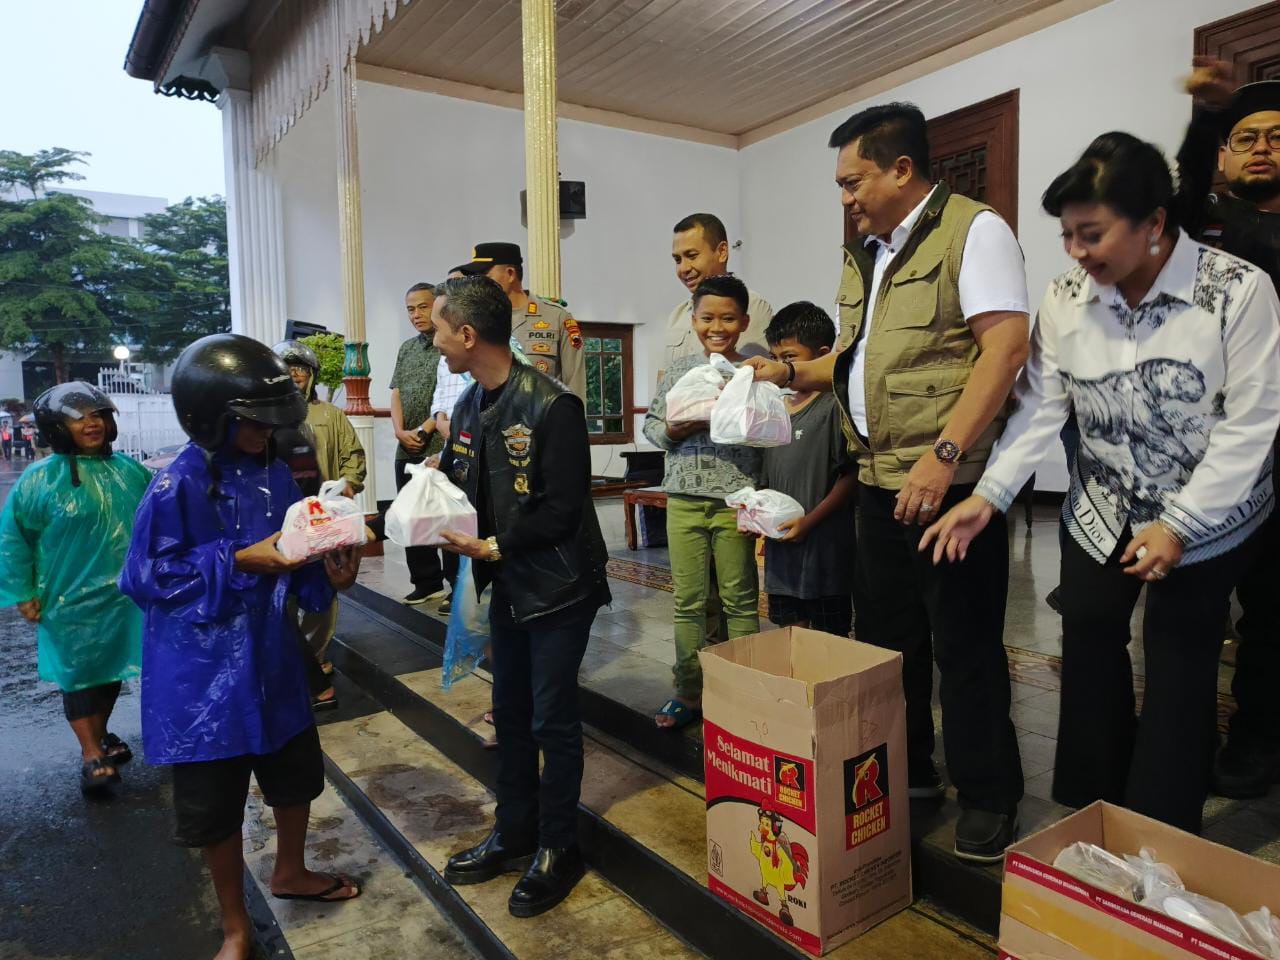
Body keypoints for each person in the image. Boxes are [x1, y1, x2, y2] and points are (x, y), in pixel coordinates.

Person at [922, 132, 1280, 835]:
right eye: (1067, 236)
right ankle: (1092, 801)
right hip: (1107, 497)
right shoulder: (1067, 297)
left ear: (1153, 224)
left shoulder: (1238, 291)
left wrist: (1179, 525)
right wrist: (988, 497)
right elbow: (1042, 406)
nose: (1078, 253)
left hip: (1212, 507)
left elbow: (1252, 421)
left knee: (1180, 648)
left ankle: (1157, 827)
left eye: (1092, 234)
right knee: (1087, 622)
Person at [747, 102, 1030, 862]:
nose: (845, 197)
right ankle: (909, 773)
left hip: (950, 486)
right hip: (878, 480)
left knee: (964, 645)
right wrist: (786, 371)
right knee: (888, 643)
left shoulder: (976, 232)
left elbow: (1003, 352)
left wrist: (943, 457)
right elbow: (862, 360)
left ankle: (989, 794)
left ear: (902, 169)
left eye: (853, 180)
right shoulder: (867, 252)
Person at [119, 334, 364, 960]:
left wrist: (330, 570)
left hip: (272, 658)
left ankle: (291, 870)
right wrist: (238, 559)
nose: (265, 435)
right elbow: (146, 578)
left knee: (295, 777)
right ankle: (235, 926)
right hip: (199, 676)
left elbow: (295, 557)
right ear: (213, 417)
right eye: (253, 425)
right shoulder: (175, 485)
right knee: (214, 807)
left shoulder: (276, 475)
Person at [431, 276, 610, 918]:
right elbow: (456, 486)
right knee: (508, 715)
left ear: (469, 334)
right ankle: (514, 831)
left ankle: (559, 847)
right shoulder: (466, 406)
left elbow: (564, 510)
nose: (435, 342)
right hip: (503, 584)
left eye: (440, 330)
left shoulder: (551, 405)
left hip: (559, 586)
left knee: (550, 720)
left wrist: (496, 546)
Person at [1177, 61, 1280, 799]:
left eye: (1277, 137)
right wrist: (1207, 118)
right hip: (1210, 448)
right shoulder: (1201, 225)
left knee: (1275, 610)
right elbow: (1178, 196)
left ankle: (1256, 740)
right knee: (1200, 600)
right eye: (1245, 138)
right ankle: (1186, 739)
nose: (1262, 149)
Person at [0, 383, 151, 793]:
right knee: (78, 673)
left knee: (110, 670)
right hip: (66, 598)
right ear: (57, 427)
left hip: (121, 597)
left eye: (98, 415)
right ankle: (91, 753)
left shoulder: (129, 471)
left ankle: (100, 736)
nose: (93, 423)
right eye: (79, 416)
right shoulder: (39, 480)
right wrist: (23, 592)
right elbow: (14, 539)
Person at [644, 274, 762, 731]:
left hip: (736, 500)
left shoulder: (755, 369)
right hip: (684, 500)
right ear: (693, 320)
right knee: (689, 603)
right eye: (708, 317)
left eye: (728, 318)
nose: (718, 326)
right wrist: (675, 430)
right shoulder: (679, 372)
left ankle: (746, 692)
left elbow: (771, 432)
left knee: (740, 601)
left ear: (744, 321)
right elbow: (652, 426)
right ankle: (688, 692)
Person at [274, 338, 368, 709]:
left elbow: (353, 457)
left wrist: (346, 484)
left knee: (322, 596)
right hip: (281, 525)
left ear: (311, 376)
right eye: (287, 368)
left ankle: (314, 656)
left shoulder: (331, 415)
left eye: (302, 369)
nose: (295, 375)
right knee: (283, 595)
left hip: (323, 523)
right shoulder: (267, 418)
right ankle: (295, 662)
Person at [757, 302, 857, 638]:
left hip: (826, 560)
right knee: (790, 640)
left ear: (824, 354)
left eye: (789, 357)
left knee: (830, 643)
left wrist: (809, 522)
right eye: (776, 358)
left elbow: (850, 477)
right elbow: (765, 478)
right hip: (781, 561)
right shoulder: (774, 411)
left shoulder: (833, 407)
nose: (781, 368)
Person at [457, 242, 587, 399]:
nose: (478, 283)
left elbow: (575, 382)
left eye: (485, 275)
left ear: (510, 273)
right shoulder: (476, 321)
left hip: (543, 419)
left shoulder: (555, 317)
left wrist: (573, 421)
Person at [390, 282, 449, 605]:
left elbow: (448, 394)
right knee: (411, 515)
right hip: (406, 445)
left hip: (436, 443)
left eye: (422, 307)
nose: (416, 314)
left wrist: (424, 430)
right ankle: (426, 581)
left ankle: (455, 585)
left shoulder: (447, 343)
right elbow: (396, 391)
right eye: (410, 309)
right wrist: (400, 431)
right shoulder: (406, 348)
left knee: (441, 515)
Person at [665, 213, 774, 367]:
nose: (683, 268)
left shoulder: (753, 305)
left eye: (692, 256)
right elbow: (664, 380)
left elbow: (755, 376)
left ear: (722, 252)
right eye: (678, 260)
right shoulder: (677, 315)